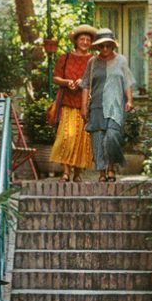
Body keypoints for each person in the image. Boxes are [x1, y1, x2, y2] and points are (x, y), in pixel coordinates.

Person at [82, 28, 135, 183]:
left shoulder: (121, 61)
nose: (105, 49)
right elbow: (85, 85)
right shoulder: (92, 63)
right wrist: (84, 107)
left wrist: (130, 100)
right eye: (101, 46)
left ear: (113, 46)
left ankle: (111, 167)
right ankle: (102, 172)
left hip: (116, 106)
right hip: (96, 107)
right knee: (98, 140)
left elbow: (127, 82)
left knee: (112, 137)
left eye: (108, 46)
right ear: (97, 47)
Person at [49, 24, 96, 182]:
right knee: (66, 137)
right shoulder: (65, 58)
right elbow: (55, 78)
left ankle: (77, 173)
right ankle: (65, 172)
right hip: (67, 102)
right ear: (76, 41)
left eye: (88, 40)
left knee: (82, 140)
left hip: (85, 104)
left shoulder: (93, 60)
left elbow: (96, 80)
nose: (84, 42)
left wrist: (84, 81)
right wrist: (67, 82)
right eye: (82, 39)